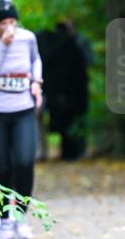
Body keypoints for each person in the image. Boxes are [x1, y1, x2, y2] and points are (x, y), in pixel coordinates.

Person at [0, 0, 43, 239]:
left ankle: (21, 218)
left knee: (24, 162)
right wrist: (3, 45)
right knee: (0, 166)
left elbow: (36, 60)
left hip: (23, 109)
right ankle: (4, 219)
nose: (9, 27)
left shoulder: (28, 38)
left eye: (12, 22)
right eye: (3, 23)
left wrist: (36, 81)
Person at [39, 20, 92, 160]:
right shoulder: (73, 45)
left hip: (61, 93)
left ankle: (70, 151)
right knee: (72, 121)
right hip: (73, 92)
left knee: (66, 122)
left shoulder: (52, 46)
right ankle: (73, 151)